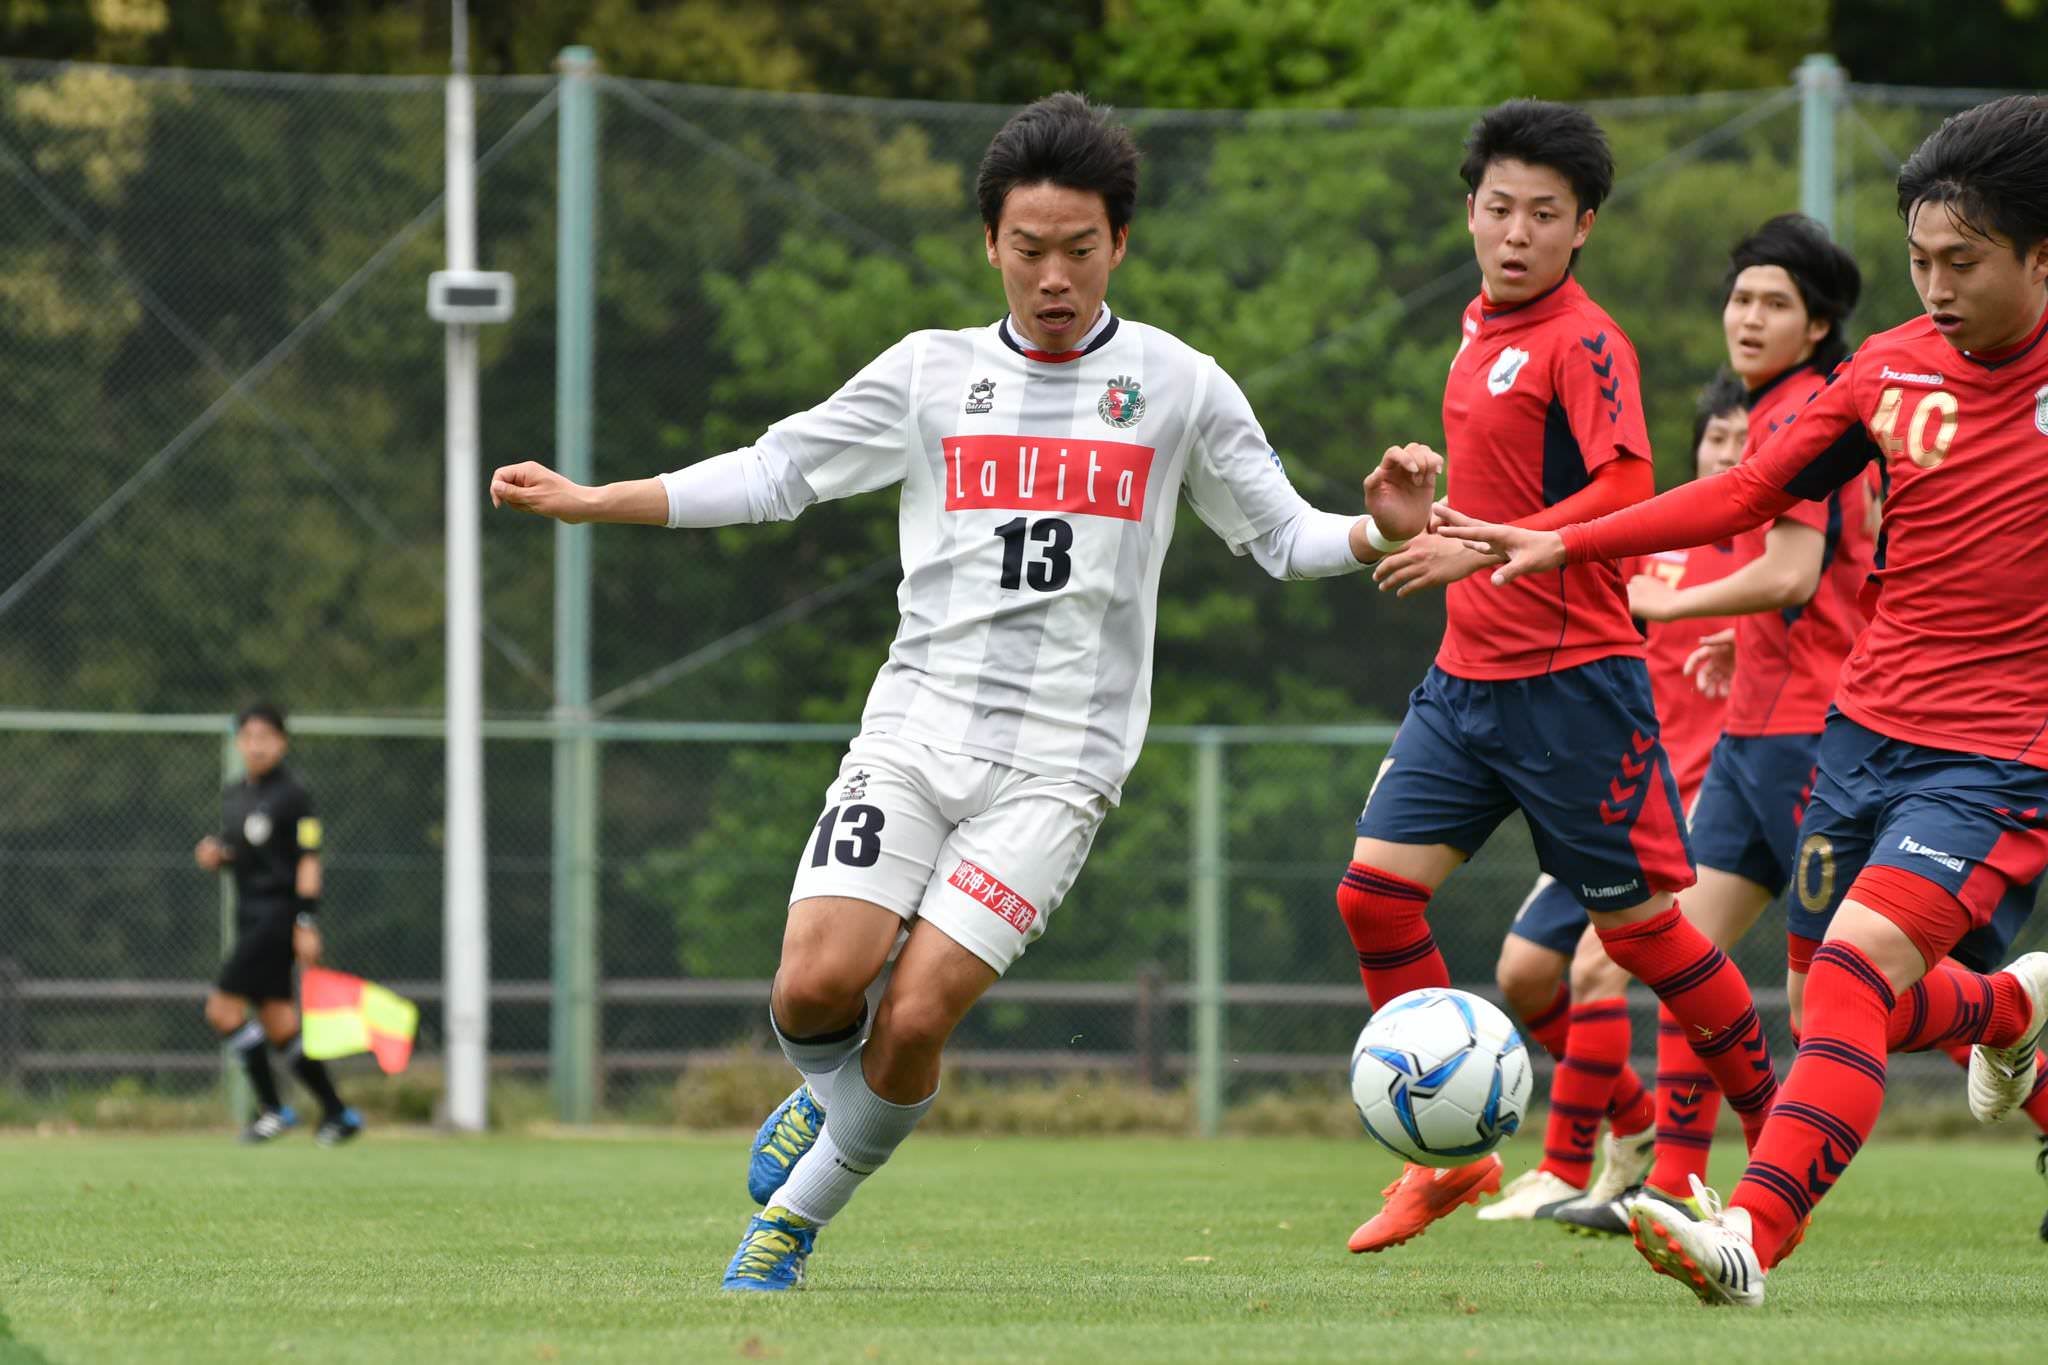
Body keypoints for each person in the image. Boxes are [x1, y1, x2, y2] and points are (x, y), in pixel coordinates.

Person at [489, 91, 1443, 1294]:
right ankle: (830, 1098)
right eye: (1029, 248)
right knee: (814, 986)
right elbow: (776, 474)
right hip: (913, 730)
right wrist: (594, 500)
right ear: (989, 243)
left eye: (1079, 250)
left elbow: (1282, 538)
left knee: (917, 1010)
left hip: (1060, 766)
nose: (1054, 277)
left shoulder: (1179, 385)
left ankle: (791, 1223)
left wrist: (1375, 529)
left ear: (1119, 245)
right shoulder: (928, 374)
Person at [1432, 94, 2048, 1306]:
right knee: (1831, 1005)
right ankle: (2005, 1010)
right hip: (1858, 734)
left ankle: (1747, 1237)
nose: (1932, 287)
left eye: (1961, 263)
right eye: (1918, 260)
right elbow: (1743, 493)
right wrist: (1566, 542)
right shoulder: (1885, 370)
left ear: (2040, 256)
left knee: (1854, 971)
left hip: (1997, 754)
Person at [1340, 99, 1780, 1254]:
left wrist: (1480, 544)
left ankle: (1775, 1131)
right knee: (1372, 896)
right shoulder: (1474, 328)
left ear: (1582, 226)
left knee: (1639, 937)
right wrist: (1421, 517)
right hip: (1463, 682)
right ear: (1468, 211)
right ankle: (1448, 1156)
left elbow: (1625, 490)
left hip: (1571, 689)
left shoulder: (1585, 342)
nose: (1517, 232)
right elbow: (1502, 507)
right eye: (1500, 208)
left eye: (1545, 213)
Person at [1545, 215, 1871, 1232]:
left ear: (1817, 325)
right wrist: (1736, 629)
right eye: (1740, 298)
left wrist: (1668, 602)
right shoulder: (1774, 410)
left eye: (1776, 303)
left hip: (1813, 741)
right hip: (1750, 740)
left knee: (1861, 992)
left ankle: (2019, 1040)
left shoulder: (1808, 412)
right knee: (1677, 962)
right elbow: (1804, 580)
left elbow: (1792, 571)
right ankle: (1673, 1188)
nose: (1749, 317)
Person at [1489, 374, 1748, 1226]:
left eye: (1746, 440)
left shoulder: (1780, 552)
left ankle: (1579, 1170)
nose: (1729, 452)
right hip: (1620, 789)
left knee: (1608, 965)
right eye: (1716, 438)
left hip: (1716, 798)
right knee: (1525, 972)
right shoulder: (1651, 540)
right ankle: (1634, 1122)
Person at [195, 702, 361, 1146]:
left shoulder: (293, 795)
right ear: (239, 742)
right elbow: (243, 852)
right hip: (249, 914)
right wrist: (218, 856)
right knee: (280, 1024)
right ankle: (338, 1113)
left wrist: (306, 920)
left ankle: (273, 1110)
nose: (257, 746)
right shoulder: (235, 794)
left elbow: (308, 860)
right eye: (249, 737)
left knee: (222, 1010)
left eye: (266, 737)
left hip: (277, 917)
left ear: (282, 743)